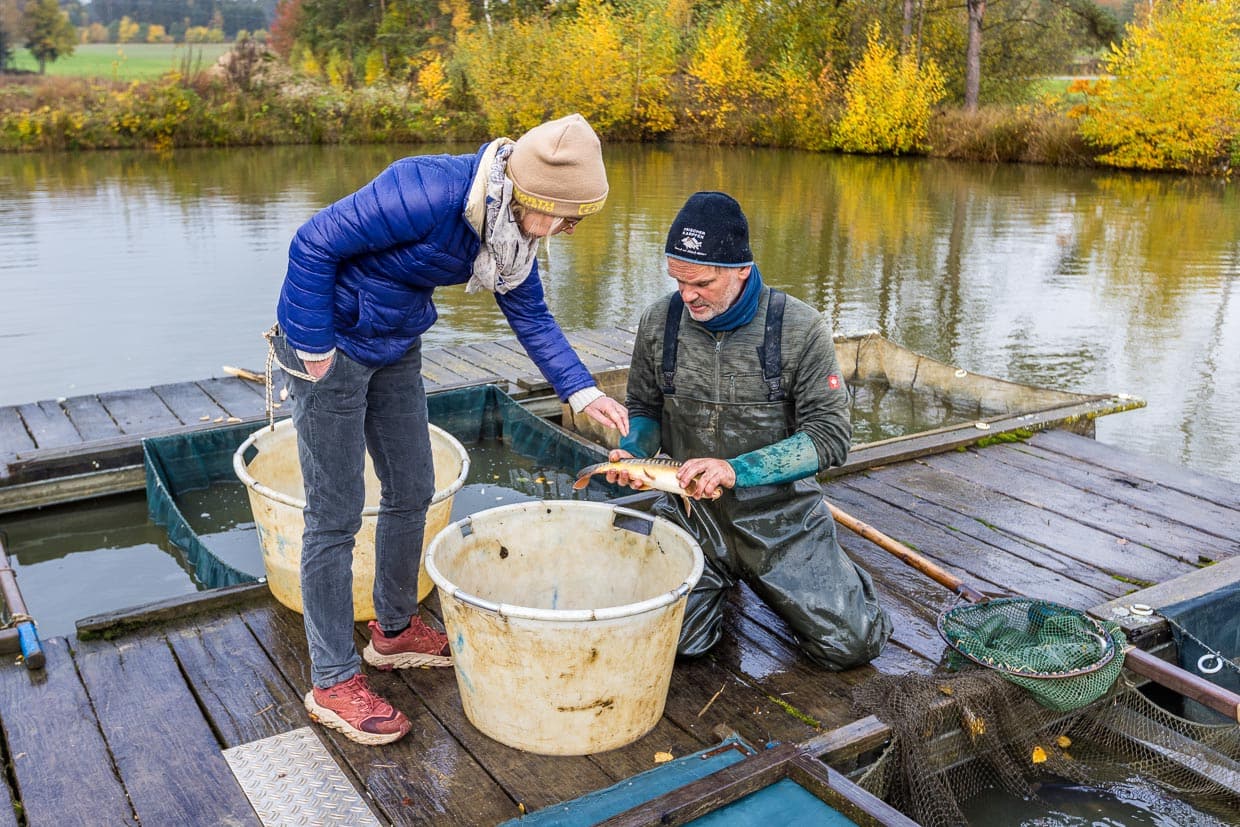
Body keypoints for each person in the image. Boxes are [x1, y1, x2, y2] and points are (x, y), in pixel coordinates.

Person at [269, 113, 630, 746]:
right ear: (532, 197)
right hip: (328, 347)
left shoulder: (509, 233)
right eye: (567, 217)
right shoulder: (427, 190)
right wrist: (312, 344)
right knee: (335, 511)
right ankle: (330, 681)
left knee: (413, 486)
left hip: (394, 341)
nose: (570, 230)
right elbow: (312, 241)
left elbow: (532, 314)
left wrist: (583, 390)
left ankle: (394, 631)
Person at [607, 191, 891, 670]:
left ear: (741, 270)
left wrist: (735, 469)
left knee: (851, 646)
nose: (686, 295)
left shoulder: (800, 327)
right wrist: (632, 454)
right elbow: (644, 409)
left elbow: (831, 437)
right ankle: (718, 583)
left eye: (701, 282)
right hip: (691, 513)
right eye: (677, 280)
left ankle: (834, 578)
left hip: (780, 517)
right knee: (673, 646)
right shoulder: (659, 321)